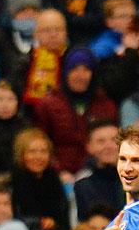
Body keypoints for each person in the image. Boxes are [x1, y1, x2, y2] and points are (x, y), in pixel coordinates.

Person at [33, 47, 118, 178]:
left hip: (100, 174)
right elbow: (41, 143)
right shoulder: (48, 105)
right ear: (66, 72)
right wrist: (58, 172)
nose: (80, 75)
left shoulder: (106, 105)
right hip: (58, 177)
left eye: (86, 70)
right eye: (74, 69)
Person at [11, 128, 70, 230]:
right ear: (21, 155)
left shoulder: (53, 179)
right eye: (32, 152)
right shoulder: (14, 181)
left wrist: (54, 225)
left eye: (43, 151)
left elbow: (63, 215)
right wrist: (40, 222)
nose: (38, 157)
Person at [74, 120, 126, 221]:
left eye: (114, 140)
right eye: (101, 141)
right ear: (89, 147)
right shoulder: (83, 186)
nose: (108, 146)